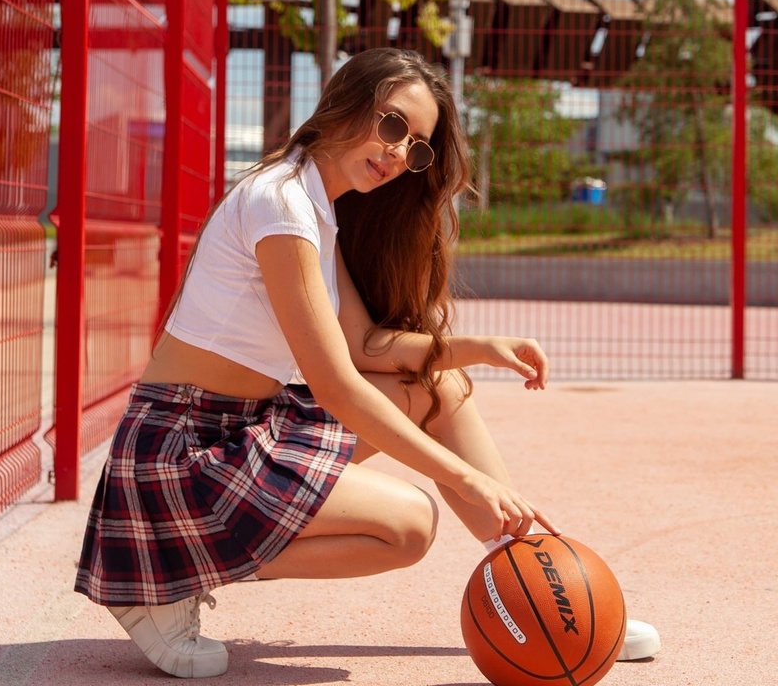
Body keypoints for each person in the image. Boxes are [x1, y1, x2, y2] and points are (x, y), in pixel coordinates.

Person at [74, 47, 659, 678]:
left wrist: (480, 348)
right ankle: (165, 573)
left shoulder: (317, 207)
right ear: (343, 105)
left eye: (418, 146)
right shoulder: (281, 204)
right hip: (182, 451)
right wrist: (467, 478)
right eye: (392, 125)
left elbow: (364, 346)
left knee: (442, 387)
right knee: (408, 525)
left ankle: (548, 578)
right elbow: (336, 385)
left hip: (242, 428)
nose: (400, 152)